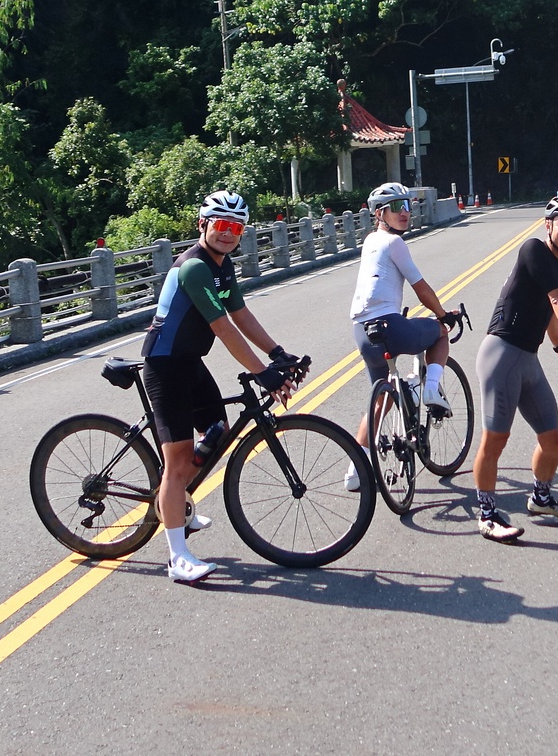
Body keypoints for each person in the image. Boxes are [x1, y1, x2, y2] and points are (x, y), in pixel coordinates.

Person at [139, 190, 306, 583]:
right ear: (203, 224)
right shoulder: (194, 268)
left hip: (190, 364)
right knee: (178, 463)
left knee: (218, 432)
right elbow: (224, 328)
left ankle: (176, 501)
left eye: (237, 227)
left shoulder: (222, 265)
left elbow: (240, 314)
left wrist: (278, 353)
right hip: (165, 368)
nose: (229, 233)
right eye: (222, 225)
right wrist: (263, 372)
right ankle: (177, 557)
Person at [470, 189, 558, 542]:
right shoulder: (533, 249)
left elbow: (548, 308)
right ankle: (487, 514)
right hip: (501, 354)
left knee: (552, 439)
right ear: (548, 226)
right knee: (495, 439)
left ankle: (541, 499)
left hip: (527, 359)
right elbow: (557, 299)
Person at [345, 181, 455, 491]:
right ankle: (429, 389)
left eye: (407, 205)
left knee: (381, 398)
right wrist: (443, 315)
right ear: (379, 213)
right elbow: (421, 288)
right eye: (396, 207)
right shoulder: (394, 243)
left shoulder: (370, 240)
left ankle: (354, 473)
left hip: (362, 331)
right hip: (389, 325)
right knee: (439, 333)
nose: (404, 212)